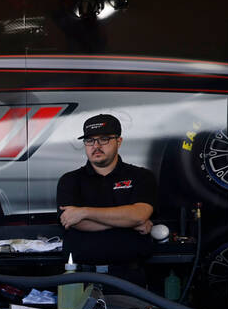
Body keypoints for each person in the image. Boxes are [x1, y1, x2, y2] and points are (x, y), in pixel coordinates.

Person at [55, 113, 157, 271]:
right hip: (81, 274)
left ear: (119, 141)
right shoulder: (69, 180)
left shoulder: (141, 176)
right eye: (89, 140)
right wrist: (127, 223)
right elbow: (75, 221)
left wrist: (84, 212)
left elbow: (139, 214)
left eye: (104, 139)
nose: (96, 146)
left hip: (130, 274)